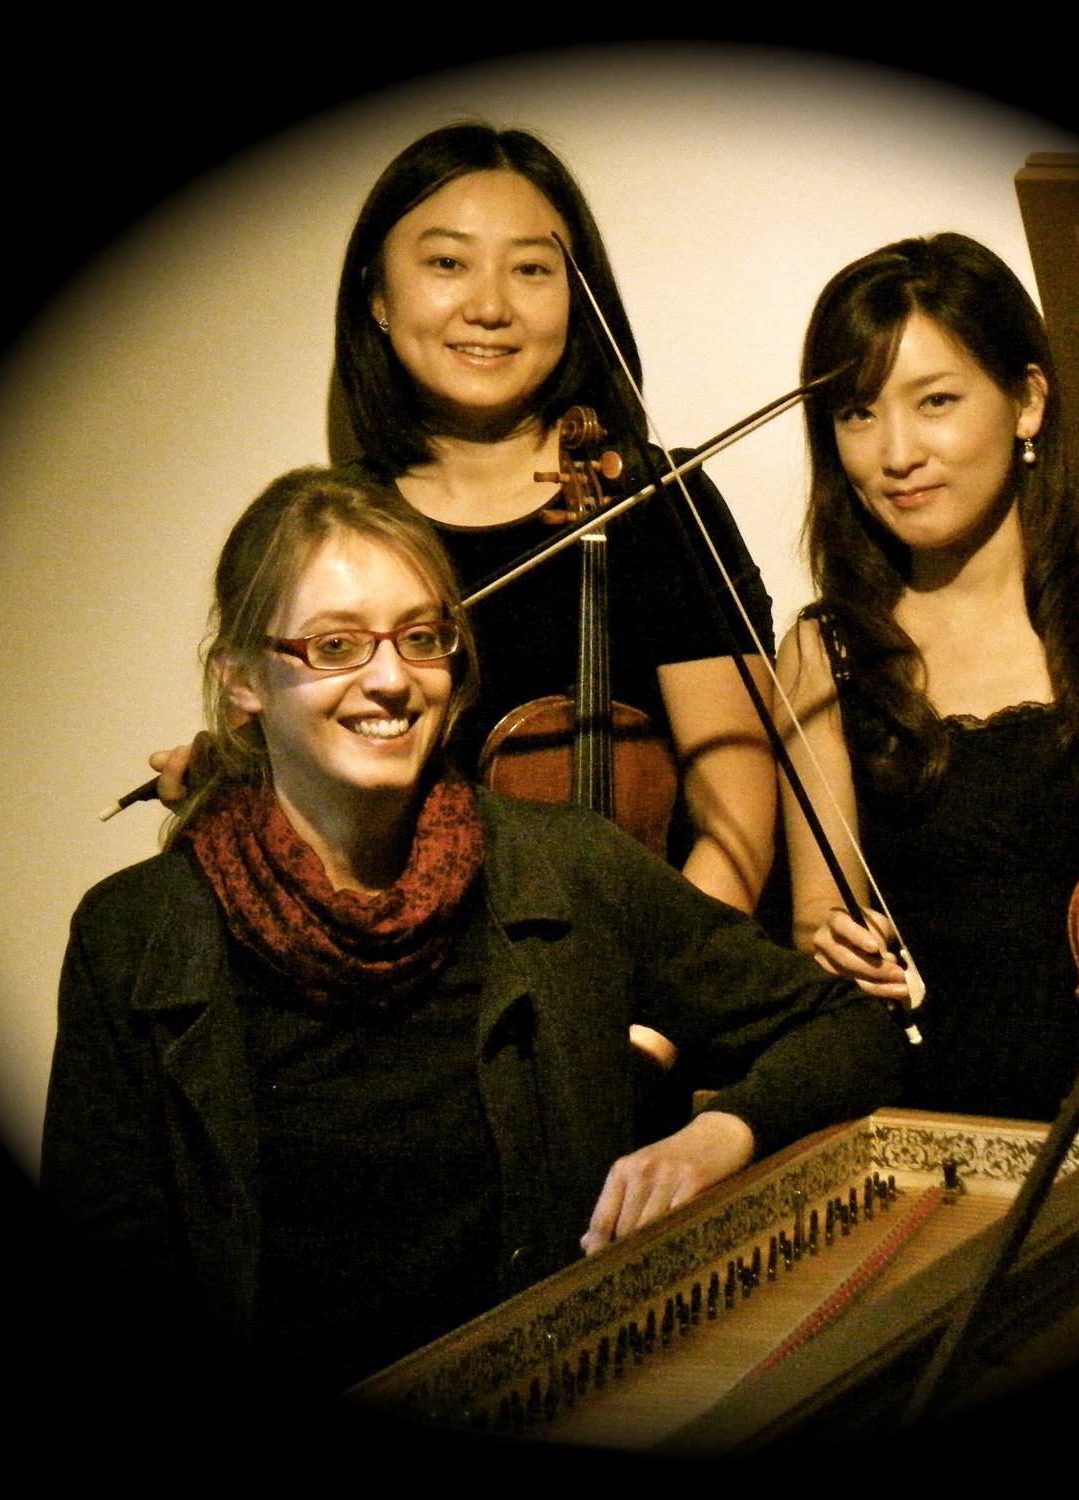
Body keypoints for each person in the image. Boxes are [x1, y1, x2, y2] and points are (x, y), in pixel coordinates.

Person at [45, 468, 904, 1397]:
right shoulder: (133, 933)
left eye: (421, 637)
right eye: (335, 645)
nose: (390, 680)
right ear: (243, 677)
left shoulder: (566, 865)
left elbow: (846, 1029)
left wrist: (722, 1132)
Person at [157, 123, 777, 916]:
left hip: (661, 967)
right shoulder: (338, 531)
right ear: (378, 296)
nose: (489, 307)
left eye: (531, 269)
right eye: (447, 264)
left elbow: (737, 819)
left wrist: (665, 981)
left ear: (578, 297)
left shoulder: (654, 501)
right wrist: (247, 773)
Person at [774, 234, 1079, 1122]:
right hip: (938, 1113)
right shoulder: (824, 652)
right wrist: (833, 946)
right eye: (857, 414)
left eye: (935, 401)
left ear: (1027, 401)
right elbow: (817, 915)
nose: (896, 452)